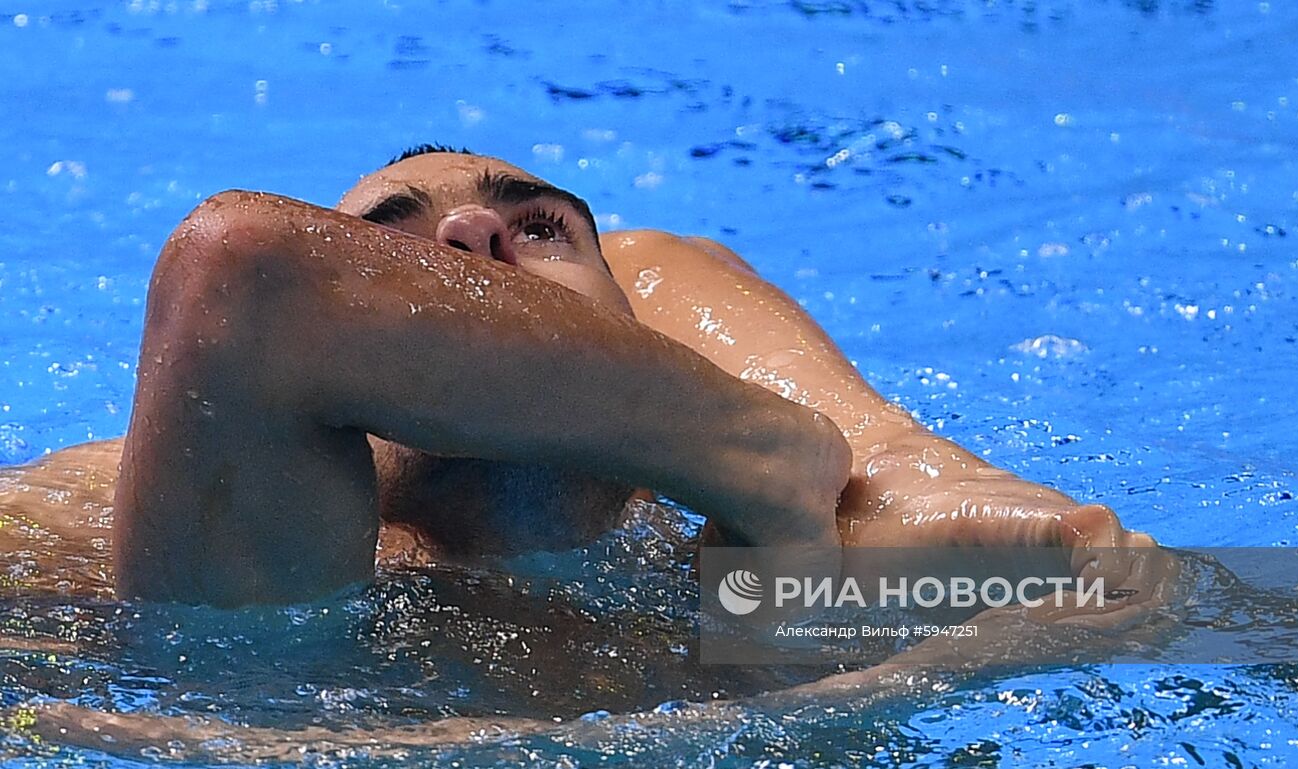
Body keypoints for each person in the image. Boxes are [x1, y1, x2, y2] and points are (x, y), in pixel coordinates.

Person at [1, 145, 1170, 613]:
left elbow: (657, 268)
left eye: (538, 226)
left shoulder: (731, 582)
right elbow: (248, 270)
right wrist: (764, 453)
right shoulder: (111, 516)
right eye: (391, 248)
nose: (469, 235)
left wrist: (937, 509)